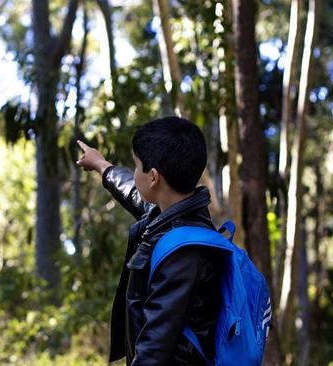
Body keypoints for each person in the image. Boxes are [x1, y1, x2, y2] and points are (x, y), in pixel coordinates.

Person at [76, 116, 223, 365]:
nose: (134, 174)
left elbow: (155, 348)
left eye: (136, 166)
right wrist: (101, 165)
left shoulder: (184, 254)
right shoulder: (169, 214)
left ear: (153, 178)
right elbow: (134, 194)